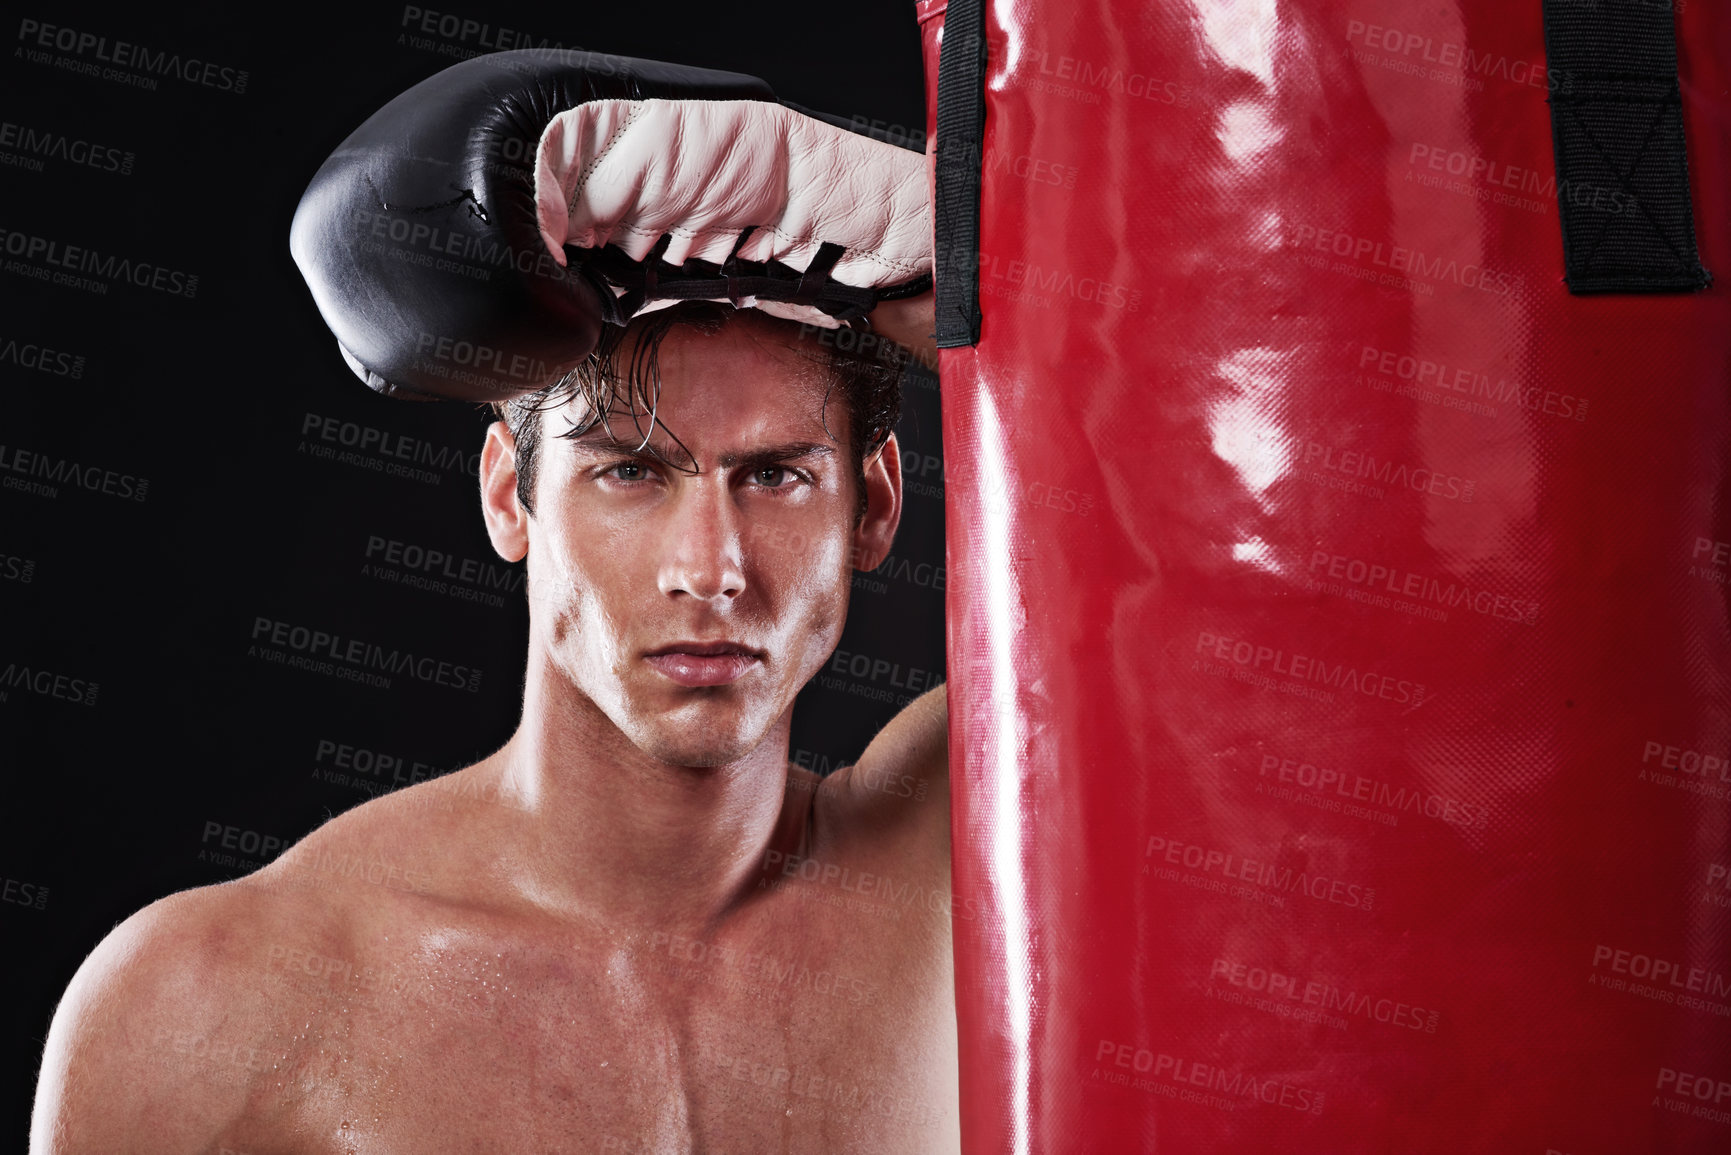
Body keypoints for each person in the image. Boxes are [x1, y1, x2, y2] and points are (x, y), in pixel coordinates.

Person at [29, 280, 956, 1150]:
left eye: (774, 476)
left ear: (872, 505)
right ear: (510, 493)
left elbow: (1107, 570)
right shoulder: (210, 996)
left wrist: (981, 306)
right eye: (629, 471)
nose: (708, 569)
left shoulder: (960, 862)